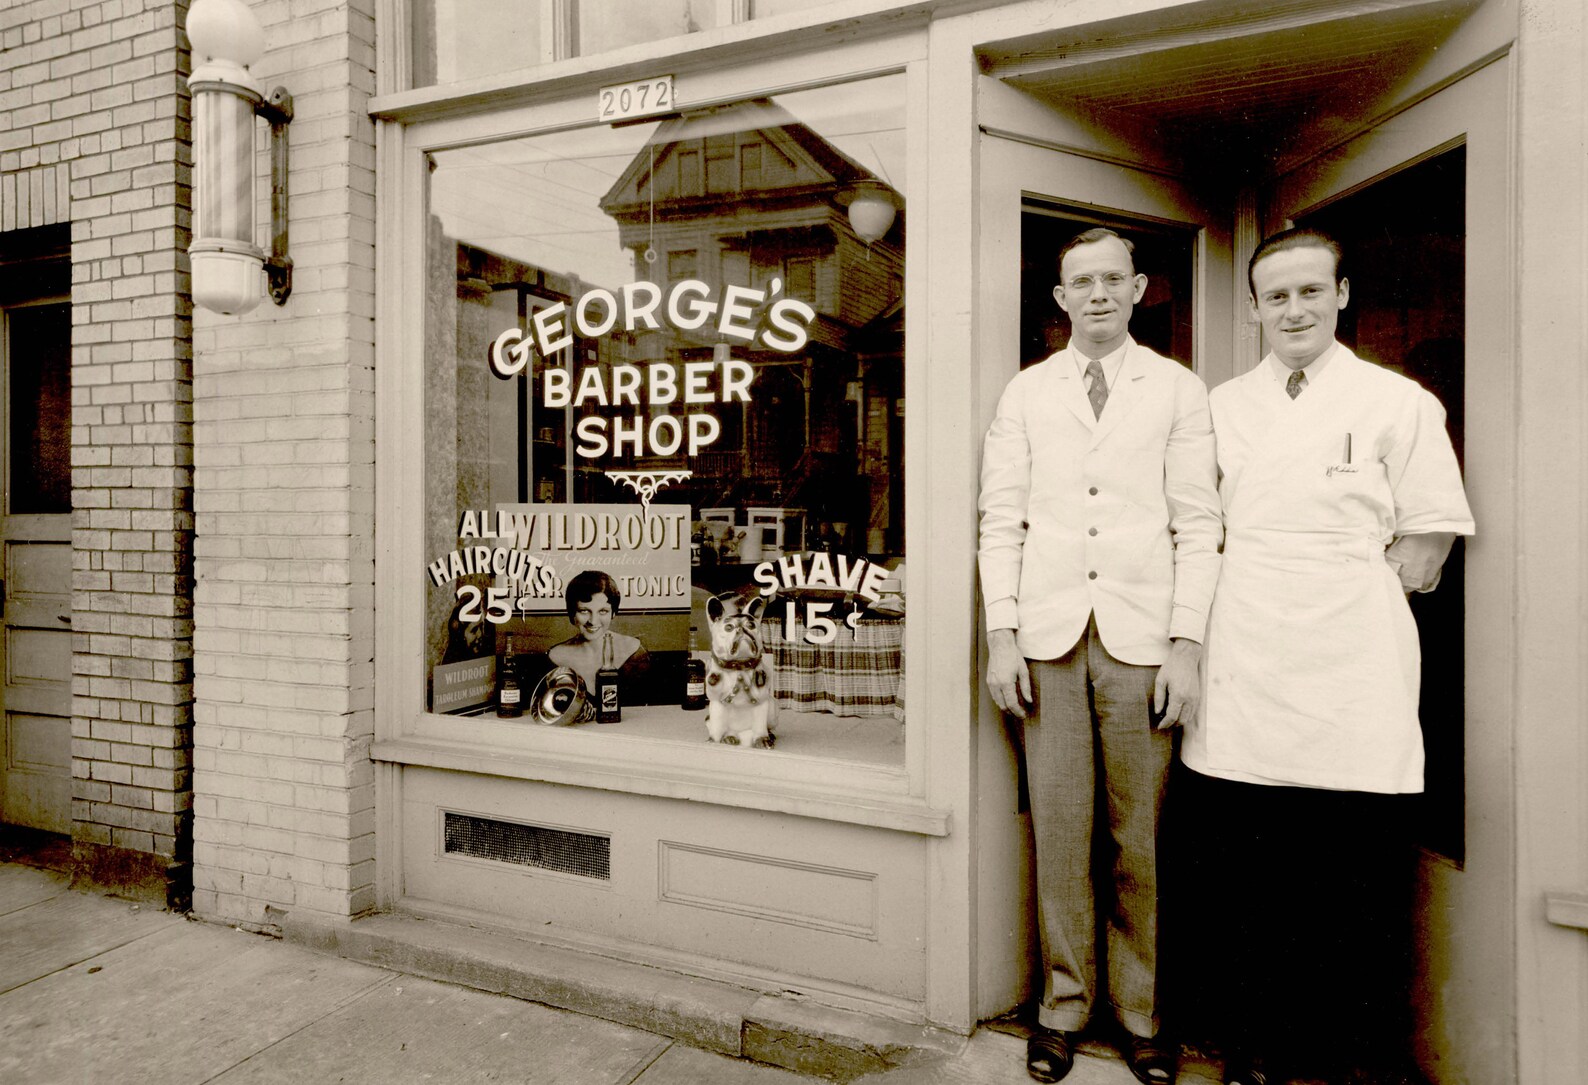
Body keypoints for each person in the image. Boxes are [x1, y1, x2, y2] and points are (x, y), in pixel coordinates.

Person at [1181, 227, 1474, 1085]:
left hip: (1352, 653)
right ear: (1257, 309)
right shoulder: (1223, 406)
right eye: (1277, 296)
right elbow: (1199, 524)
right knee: (1252, 866)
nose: (1295, 309)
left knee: (1353, 867)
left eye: (1311, 291)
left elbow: (1425, 547)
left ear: (1342, 295)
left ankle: (1347, 1055)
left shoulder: (1400, 402)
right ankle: (1255, 1048)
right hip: (1247, 650)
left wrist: (1342, 589)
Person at [979, 227, 1222, 1084]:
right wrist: (1002, 632)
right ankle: (1062, 1008)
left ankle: (1143, 1014)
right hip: (1047, 642)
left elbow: (1200, 525)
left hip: (1143, 643)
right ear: (1059, 296)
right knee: (1060, 831)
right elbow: (1000, 520)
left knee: (1139, 838)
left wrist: (1186, 645)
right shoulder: (1026, 393)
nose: (1098, 295)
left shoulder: (1179, 390)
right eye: (1081, 281)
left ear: (1141, 288)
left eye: (1113, 279)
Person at [548, 570, 650, 695]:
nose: (593, 621)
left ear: (613, 613)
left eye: (603, 611)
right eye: (584, 611)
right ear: (572, 613)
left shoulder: (635, 652)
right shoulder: (555, 656)